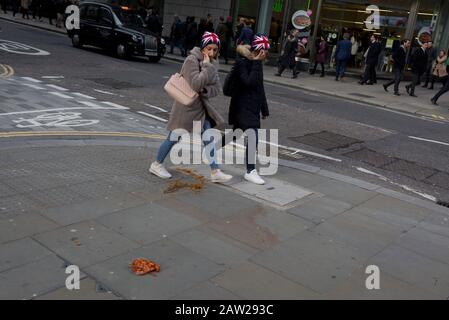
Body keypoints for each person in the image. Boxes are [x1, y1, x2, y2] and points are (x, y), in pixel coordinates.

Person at [150, 32, 233, 184]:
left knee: (208, 138)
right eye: (209, 48)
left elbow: (216, 88)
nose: (212, 53)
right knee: (173, 138)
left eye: (215, 49)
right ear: (202, 48)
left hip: (201, 109)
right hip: (185, 108)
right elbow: (195, 84)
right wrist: (206, 69)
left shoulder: (213, 63)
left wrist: (205, 89)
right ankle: (156, 164)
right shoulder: (191, 60)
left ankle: (215, 171)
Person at [229, 34, 270, 185]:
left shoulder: (257, 64)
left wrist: (264, 110)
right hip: (242, 107)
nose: (265, 56)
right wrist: (257, 63)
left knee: (234, 134)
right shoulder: (243, 63)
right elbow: (249, 82)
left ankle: (210, 150)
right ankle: (250, 171)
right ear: (258, 51)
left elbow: (260, 88)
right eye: (263, 52)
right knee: (253, 138)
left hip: (252, 108)